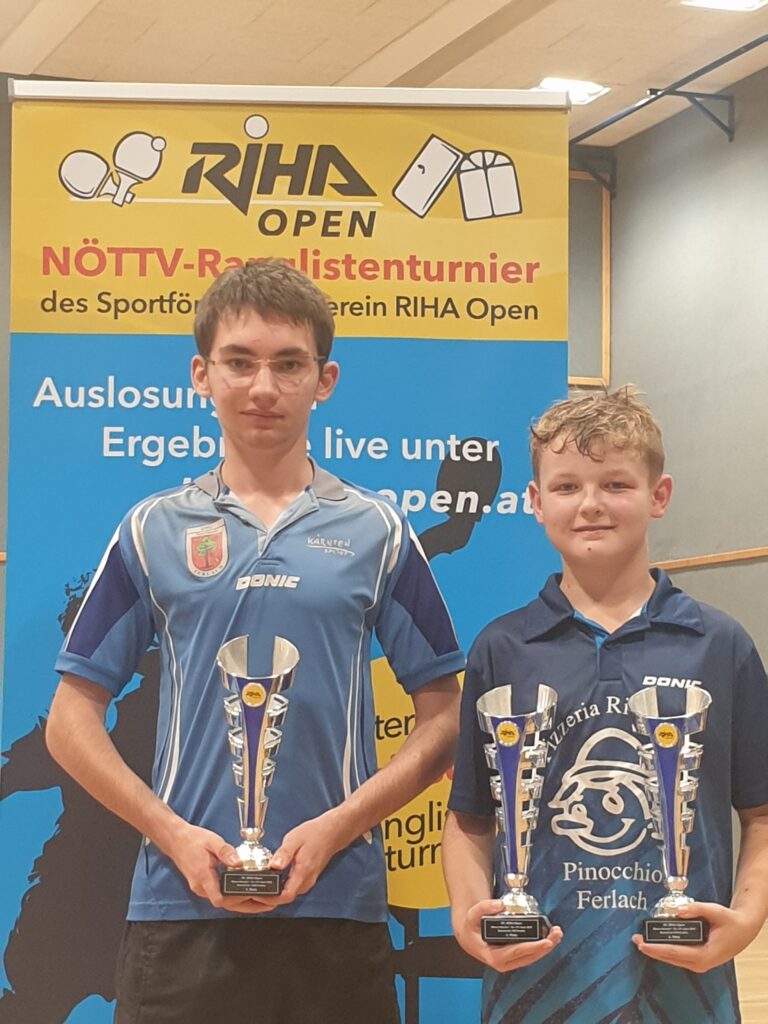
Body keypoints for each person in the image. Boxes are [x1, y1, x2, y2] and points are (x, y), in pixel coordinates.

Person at [46, 258, 463, 1024]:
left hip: (339, 906)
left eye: (288, 364)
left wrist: (340, 827)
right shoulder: (151, 528)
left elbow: (444, 713)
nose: (263, 387)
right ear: (201, 375)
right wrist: (171, 834)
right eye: (239, 362)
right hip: (181, 906)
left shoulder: (379, 531)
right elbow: (70, 719)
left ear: (324, 380)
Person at [443, 386, 768, 1023]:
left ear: (659, 495)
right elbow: (470, 819)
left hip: (685, 990)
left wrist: (748, 918)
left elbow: (761, 812)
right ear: (535, 502)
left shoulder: (720, 644)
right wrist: (468, 912)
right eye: (566, 487)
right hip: (537, 988)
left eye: (616, 484)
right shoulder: (501, 648)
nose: (590, 504)